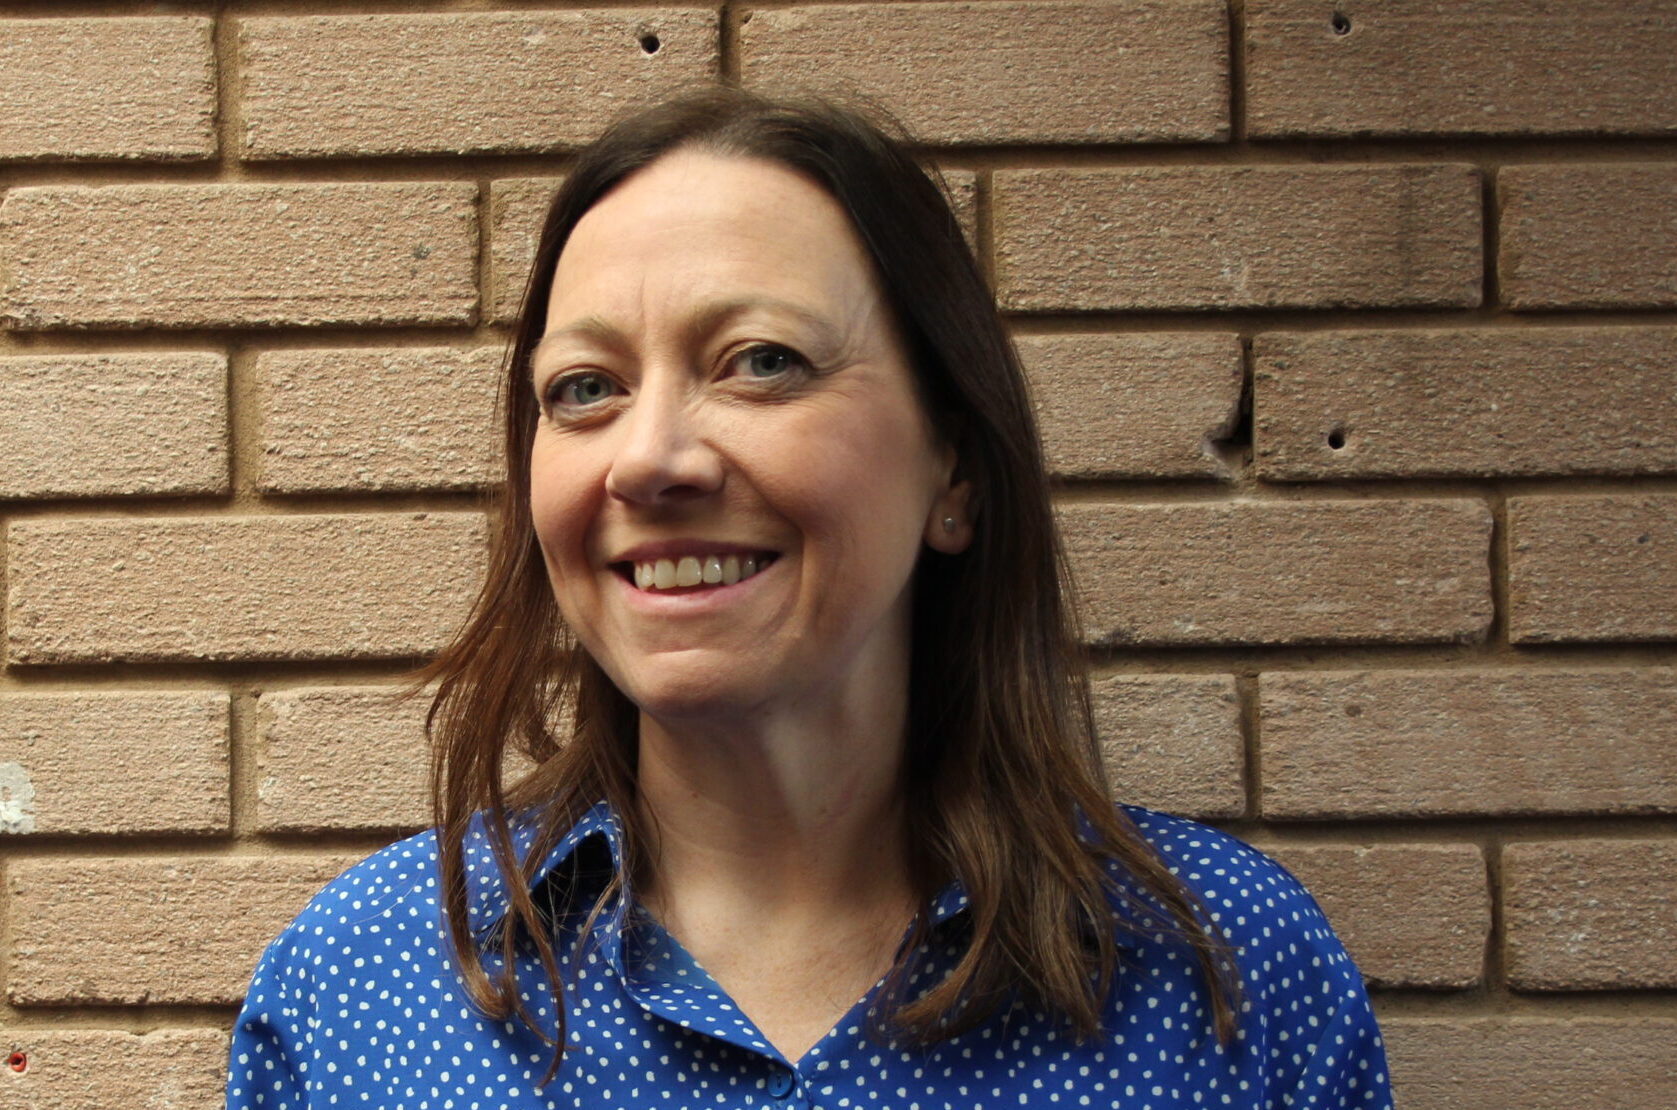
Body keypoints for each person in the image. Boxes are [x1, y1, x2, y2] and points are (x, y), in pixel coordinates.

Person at [228, 87, 1393, 1110]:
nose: (648, 459)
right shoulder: (360, 994)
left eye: (761, 360)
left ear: (955, 468)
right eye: (585, 388)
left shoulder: (1226, 976)